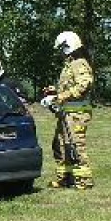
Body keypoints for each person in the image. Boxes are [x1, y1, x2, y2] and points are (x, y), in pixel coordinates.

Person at [40, 31, 94, 189]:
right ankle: (65, 178)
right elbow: (69, 86)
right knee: (60, 145)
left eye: (61, 48)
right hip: (66, 113)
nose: (60, 52)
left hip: (77, 114)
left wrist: (60, 97)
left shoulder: (79, 63)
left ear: (67, 46)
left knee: (76, 145)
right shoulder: (69, 64)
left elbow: (84, 85)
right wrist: (54, 91)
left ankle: (84, 181)